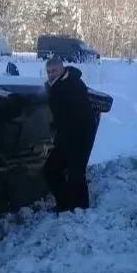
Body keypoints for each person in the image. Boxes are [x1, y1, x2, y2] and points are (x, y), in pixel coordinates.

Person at [42, 56, 98, 212]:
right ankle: (65, 205)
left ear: (62, 69)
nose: (51, 74)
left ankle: (81, 210)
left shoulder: (71, 85)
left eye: (54, 70)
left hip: (81, 134)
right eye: (48, 71)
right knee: (51, 169)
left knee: (76, 172)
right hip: (68, 135)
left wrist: (63, 130)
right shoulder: (58, 85)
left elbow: (77, 113)